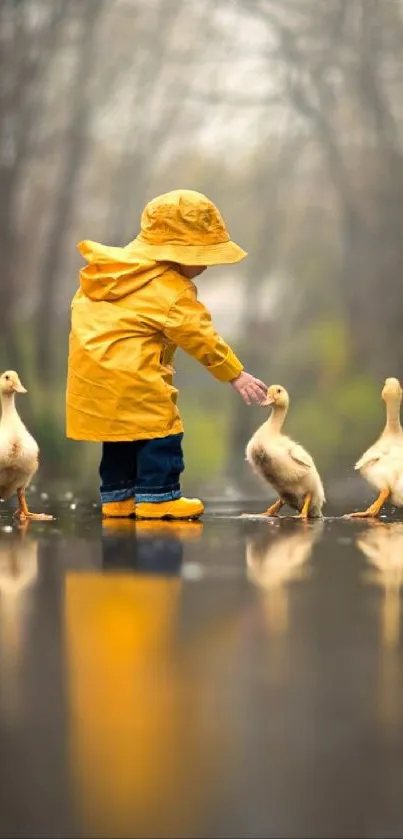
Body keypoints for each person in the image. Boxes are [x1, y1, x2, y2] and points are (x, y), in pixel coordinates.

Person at [66, 189, 267, 520]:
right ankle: (159, 498)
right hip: (136, 378)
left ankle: (118, 499)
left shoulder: (103, 274)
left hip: (91, 381)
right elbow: (199, 335)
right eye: (203, 256)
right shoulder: (170, 290)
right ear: (178, 253)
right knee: (162, 430)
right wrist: (235, 373)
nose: (206, 266)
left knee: (119, 436)